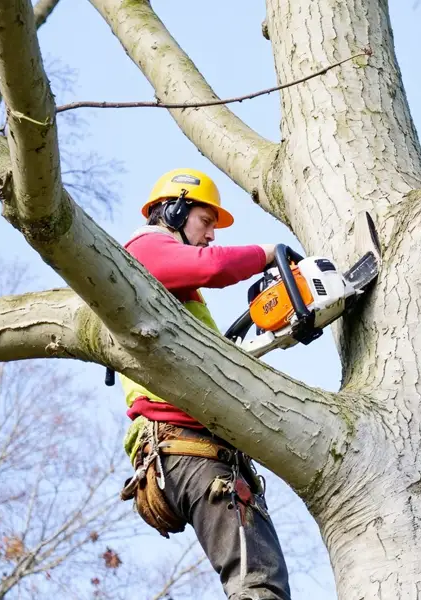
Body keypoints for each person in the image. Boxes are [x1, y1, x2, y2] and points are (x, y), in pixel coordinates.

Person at [117, 168, 291, 600]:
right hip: (188, 449)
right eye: (206, 221)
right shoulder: (145, 250)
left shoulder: (169, 295)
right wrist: (269, 254)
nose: (211, 235)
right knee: (259, 587)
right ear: (173, 209)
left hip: (185, 451)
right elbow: (210, 266)